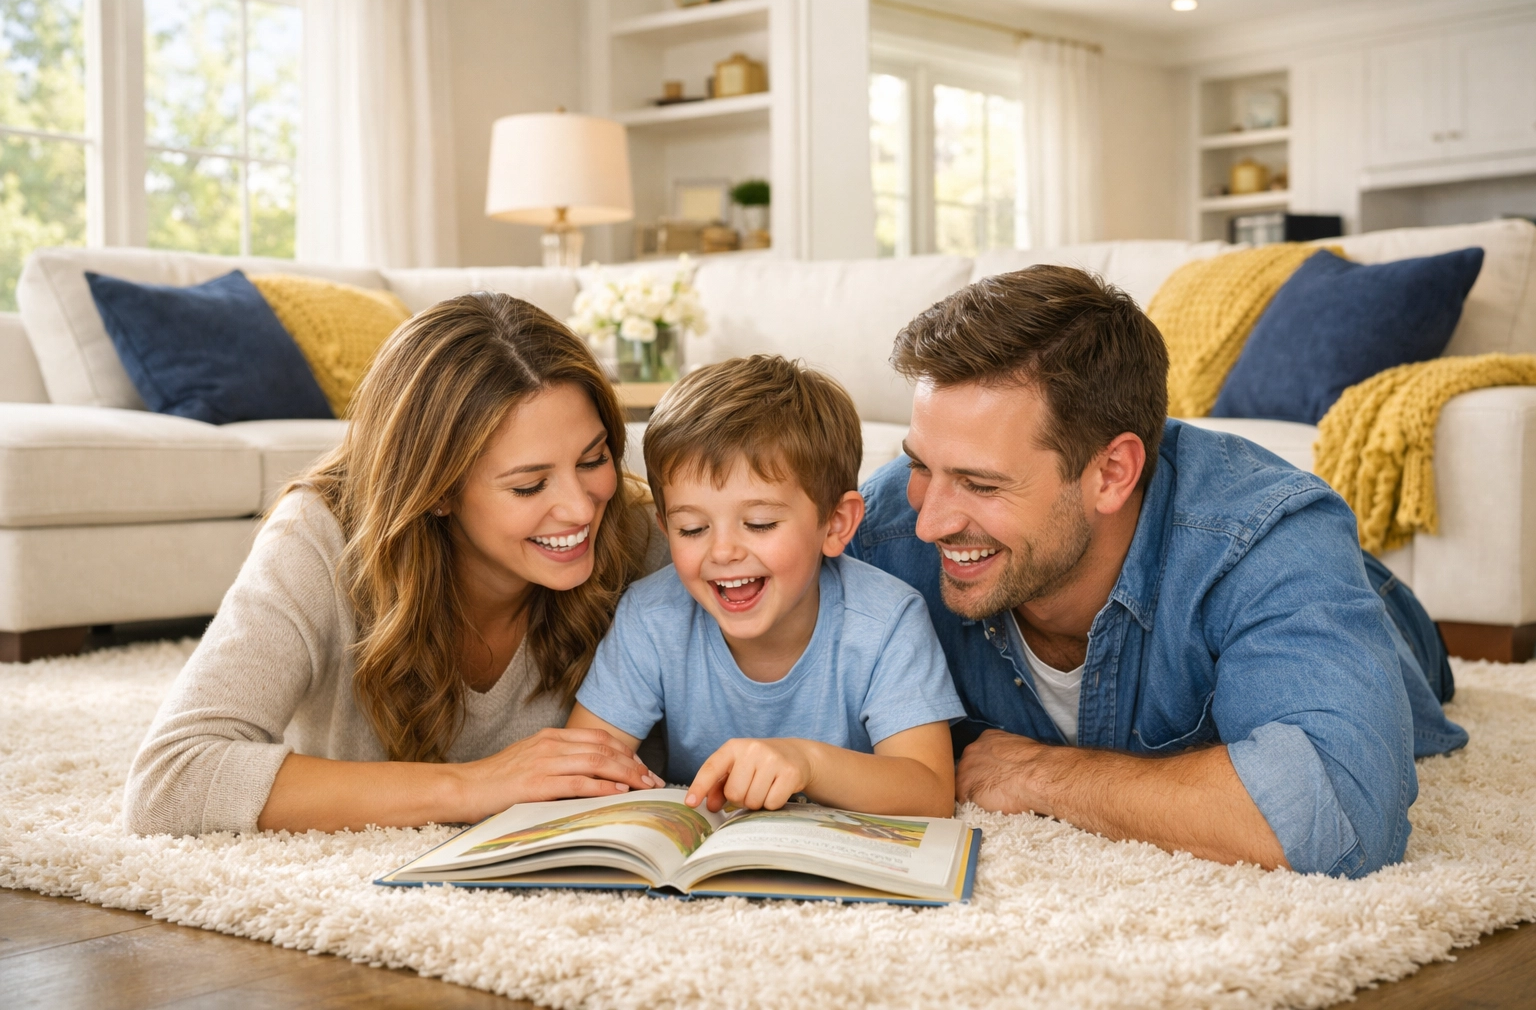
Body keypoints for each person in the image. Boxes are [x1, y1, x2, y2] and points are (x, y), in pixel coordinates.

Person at [848, 265, 1469, 878]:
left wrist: (1041, 773)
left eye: (981, 485)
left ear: (1112, 473)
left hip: (1374, 607)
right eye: (920, 465)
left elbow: (1339, 815)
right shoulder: (884, 532)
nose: (929, 522)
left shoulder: (1266, 539)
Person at [124, 293, 670, 837]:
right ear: (438, 490)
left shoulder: (638, 532)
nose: (581, 508)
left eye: (593, 459)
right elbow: (170, 781)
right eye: (529, 485)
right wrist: (472, 785)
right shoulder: (318, 537)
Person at [568, 355, 964, 817]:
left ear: (836, 524)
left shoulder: (888, 620)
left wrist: (808, 763)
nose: (722, 551)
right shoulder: (651, 616)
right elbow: (582, 763)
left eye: (759, 523)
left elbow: (930, 792)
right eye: (692, 529)